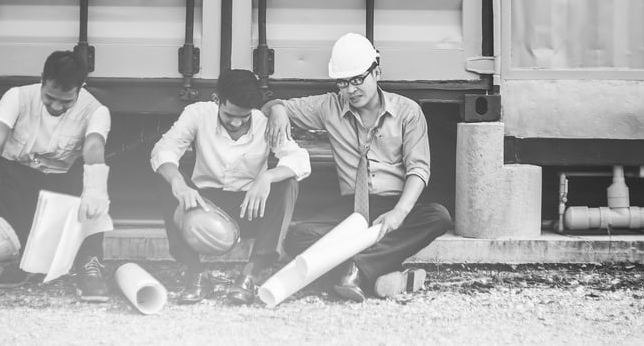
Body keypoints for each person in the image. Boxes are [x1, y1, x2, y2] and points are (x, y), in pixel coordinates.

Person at [263, 32, 452, 302]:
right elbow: (271, 105)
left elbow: (419, 169)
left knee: (438, 216)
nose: (350, 89)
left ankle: (354, 269)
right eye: (343, 82)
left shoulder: (408, 112)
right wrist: (279, 110)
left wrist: (399, 213)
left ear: (377, 72)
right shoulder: (329, 106)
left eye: (357, 79)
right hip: (352, 212)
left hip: (393, 204)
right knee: (296, 237)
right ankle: (376, 273)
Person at [0, 50, 112, 302]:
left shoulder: (96, 110)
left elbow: (94, 147)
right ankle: (23, 261)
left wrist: (96, 189)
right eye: (50, 97)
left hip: (60, 182)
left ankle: (89, 265)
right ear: (42, 80)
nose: (56, 106)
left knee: (96, 178)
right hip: (18, 180)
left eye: (66, 101)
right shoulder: (17, 97)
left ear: (80, 88)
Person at [151, 69, 311, 305]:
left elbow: (300, 160)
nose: (236, 122)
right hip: (204, 208)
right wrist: (179, 184)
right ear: (217, 100)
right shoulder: (197, 114)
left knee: (288, 182)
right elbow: (163, 150)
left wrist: (266, 177)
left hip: (250, 208)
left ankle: (249, 276)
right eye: (229, 115)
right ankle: (195, 274)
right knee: (165, 177)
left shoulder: (264, 122)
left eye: (244, 117)